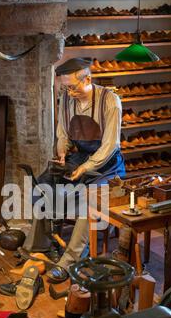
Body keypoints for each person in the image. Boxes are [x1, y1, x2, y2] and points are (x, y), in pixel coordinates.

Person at [23, 57, 125, 282]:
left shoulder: (110, 101)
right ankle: (39, 246)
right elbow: (62, 131)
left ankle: (69, 262)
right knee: (42, 187)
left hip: (107, 167)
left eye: (72, 87)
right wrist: (62, 151)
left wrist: (86, 167)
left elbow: (110, 145)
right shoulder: (67, 100)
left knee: (87, 204)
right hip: (78, 158)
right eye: (65, 88)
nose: (68, 92)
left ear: (87, 79)